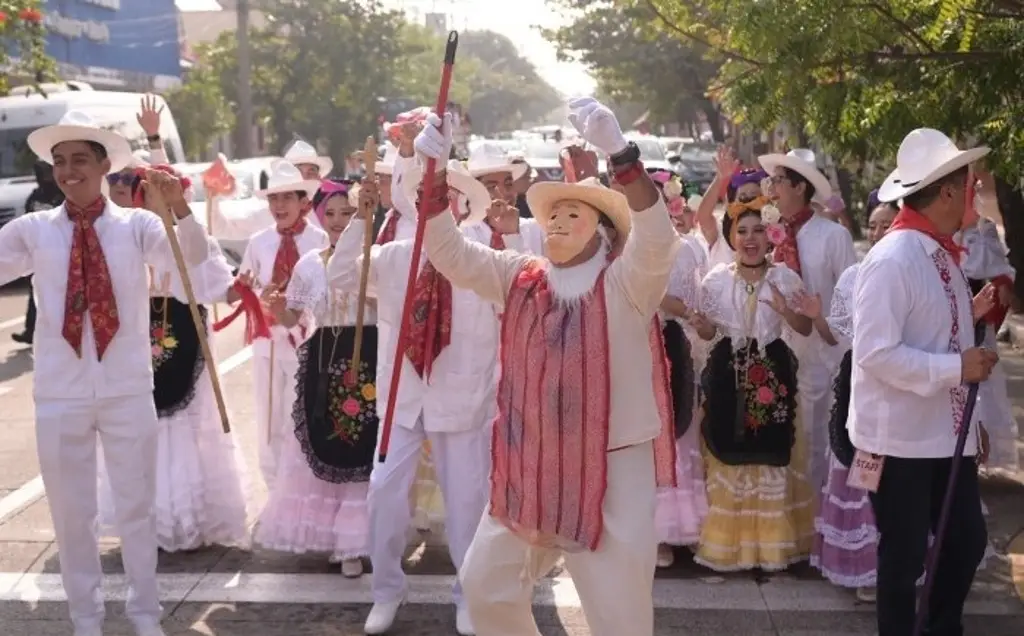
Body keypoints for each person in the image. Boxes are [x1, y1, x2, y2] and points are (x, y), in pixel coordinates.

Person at [415, 98, 679, 636]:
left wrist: (620, 153)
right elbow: (447, 250)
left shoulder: (627, 281)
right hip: (530, 468)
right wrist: (433, 174)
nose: (555, 223)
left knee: (620, 618)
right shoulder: (521, 276)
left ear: (603, 233)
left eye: (571, 215)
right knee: (485, 587)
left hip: (613, 471)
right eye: (551, 215)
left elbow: (658, 237)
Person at [0, 110, 211, 636]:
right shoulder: (33, 231)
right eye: (59, 163)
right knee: (73, 517)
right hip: (59, 393)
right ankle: (85, 619)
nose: (69, 172)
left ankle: (144, 613)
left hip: (125, 389)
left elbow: (194, 255)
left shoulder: (138, 226)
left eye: (79, 161)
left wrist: (178, 204)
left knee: (137, 509)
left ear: (102, 166)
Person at [328, 150, 517, 636]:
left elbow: (520, 295)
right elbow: (342, 277)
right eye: (425, 195)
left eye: (444, 195)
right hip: (402, 396)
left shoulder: (482, 255)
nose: (433, 203)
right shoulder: (394, 254)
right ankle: (387, 591)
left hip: (463, 397)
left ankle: (468, 596)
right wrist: (360, 222)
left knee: (468, 504)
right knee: (383, 493)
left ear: (459, 204)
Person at [850, 128, 994, 636]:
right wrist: (959, 368)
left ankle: (938, 628)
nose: (976, 192)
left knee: (965, 542)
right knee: (905, 557)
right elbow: (875, 353)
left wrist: (971, 422)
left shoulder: (940, 254)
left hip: (942, 436)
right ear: (949, 191)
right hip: (900, 440)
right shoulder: (894, 258)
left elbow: (935, 337)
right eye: (971, 184)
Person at [94, 164, 249, 554]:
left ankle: (183, 521)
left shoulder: (193, 238)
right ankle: (143, 521)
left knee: (182, 430)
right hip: (138, 347)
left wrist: (242, 290)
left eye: (168, 198)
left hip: (186, 345)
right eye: (150, 197)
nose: (157, 205)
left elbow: (214, 281)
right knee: (142, 430)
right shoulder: (130, 238)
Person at [256, 179, 376, 577]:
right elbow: (296, 317)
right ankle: (332, 540)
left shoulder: (375, 259)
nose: (340, 220)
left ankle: (356, 543)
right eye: (332, 213)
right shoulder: (309, 264)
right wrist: (276, 310)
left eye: (349, 212)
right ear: (321, 216)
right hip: (323, 360)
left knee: (364, 448)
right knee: (326, 441)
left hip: (369, 357)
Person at [689, 197, 816, 572]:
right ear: (730, 236)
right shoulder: (716, 280)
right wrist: (702, 327)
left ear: (771, 235)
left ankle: (770, 547)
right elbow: (710, 331)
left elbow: (805, 327)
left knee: (771, 452)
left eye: (758, 229)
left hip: (772, 373)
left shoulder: (785, 278)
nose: (750, 238)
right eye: (741, 231)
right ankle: (729, 547)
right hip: (728, 374)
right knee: (726, 451)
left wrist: (786, 310)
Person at [215, 160, 329, 491]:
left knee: (303, 414)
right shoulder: (259, 241)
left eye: (286, 199)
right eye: (273, 200)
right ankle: (275, 488)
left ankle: (306, 487)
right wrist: (248, 289)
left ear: (303, 202)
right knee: (269, 418)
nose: (279, 207)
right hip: (267, 340)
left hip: (306, 342)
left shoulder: (319, 241)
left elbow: (325, 292)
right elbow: (243, 286)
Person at [759, 148, 857, 492]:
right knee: (780, 440)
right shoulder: (769, 234)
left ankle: (819, 524)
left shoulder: (833, 236)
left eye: (780, 181)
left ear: (800, 187)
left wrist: (828, 332)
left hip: (823, 357)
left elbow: (849, 303)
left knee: (817, 442)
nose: (773, 188)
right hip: (777, 355)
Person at [12, 160, 64, 345]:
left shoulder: (64, 195)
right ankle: (30, 330)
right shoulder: (35, 197)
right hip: (38, 251)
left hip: (61, 252)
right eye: (42, 172)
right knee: (35, 290)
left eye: (48, 171)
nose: (46, 176)